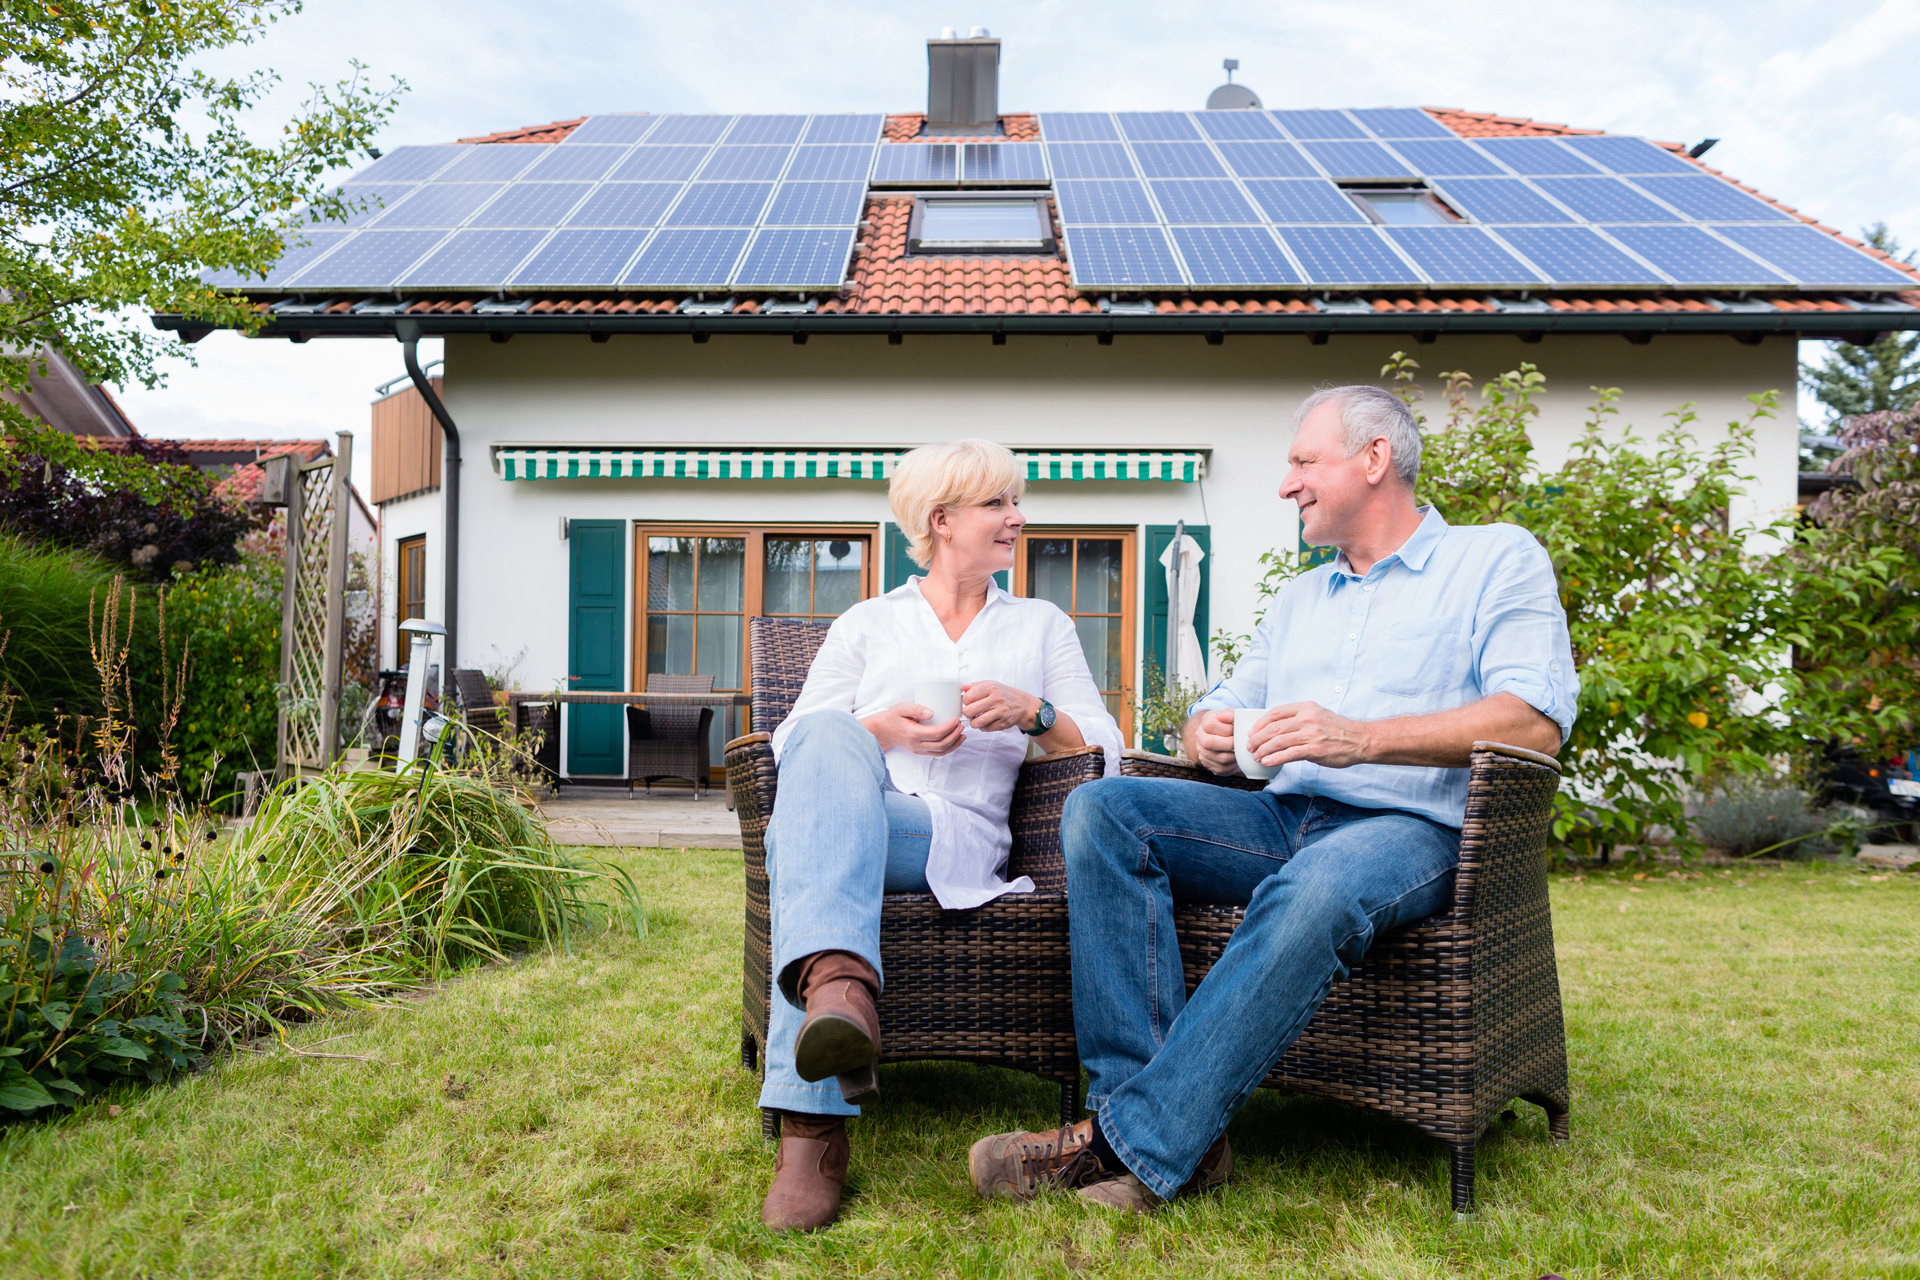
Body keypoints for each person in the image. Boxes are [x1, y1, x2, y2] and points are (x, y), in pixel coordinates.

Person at [967, 384, 1578, 1213]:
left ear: (1374, 458)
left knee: (1317, 885)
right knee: (1105, 810)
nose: (1287, 484)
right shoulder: (1301, 598)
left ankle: (1123, 1143)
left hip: (1413, 827)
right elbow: (1216, 706)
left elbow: (1534, 720)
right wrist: (1206, 736)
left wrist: (1361, 738)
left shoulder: (1495, 559)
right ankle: (1166, 1125)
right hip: (1281, 815)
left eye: (1302, 462)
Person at [757, 438, 1124, 1232]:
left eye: (1016, 501)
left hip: (958, 838)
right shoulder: (868, 623)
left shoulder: (1040, 625)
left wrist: (1034, 713)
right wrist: (880, 728)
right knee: (825, 738)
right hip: (867, 818)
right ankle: (840, 997)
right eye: (998, 503)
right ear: (941, 520)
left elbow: (1107, 748)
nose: (1016, 518)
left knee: (802, 841)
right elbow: (792, 744)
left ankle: (812, 1121)